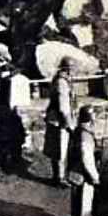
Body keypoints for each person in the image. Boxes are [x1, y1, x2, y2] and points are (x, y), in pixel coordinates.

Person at [45, 57, 77, 187]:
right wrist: (69, 124)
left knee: (58, 149)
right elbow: (63, 107)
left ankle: (59, 176)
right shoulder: (62, 83)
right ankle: (59, 178)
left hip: (56, 118)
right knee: (60, 150)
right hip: (59, 121)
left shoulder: (62, 79)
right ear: (68, 69)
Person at [71, 105, 99, 216]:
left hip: (75, 171)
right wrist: (95, 177)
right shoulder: (85, 135)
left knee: (79, 201)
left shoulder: (79, 130)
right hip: (83, 174)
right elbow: (86, 158)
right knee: (84, 203)